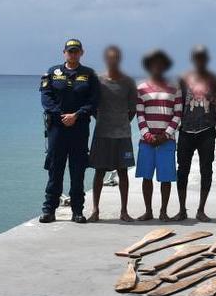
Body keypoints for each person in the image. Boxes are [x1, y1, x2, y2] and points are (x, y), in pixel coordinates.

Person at [39, 38, 100, 224]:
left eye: (76, 51)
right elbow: (46, 99)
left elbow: (94, 101)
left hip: (79, 129)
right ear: (64, 52)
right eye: (70, 51)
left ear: (82, 52)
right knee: (55, 170)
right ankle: (49, 210)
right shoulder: (52, 72)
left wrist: (76, 115)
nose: (72, 54)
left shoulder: (89, 75)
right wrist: (62, 116)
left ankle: (77, 211)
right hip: (57, 129)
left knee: (77, 170)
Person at [174, 45, 216, 222]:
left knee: (207, 170)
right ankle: (182, 210)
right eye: (197, 57)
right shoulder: (183, 78)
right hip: (185, 131)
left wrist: (215, 125)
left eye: (202, 57)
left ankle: (201, 210)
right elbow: (177, 102)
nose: (200, 60)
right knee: (182, 171)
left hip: (207, 132)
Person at [88, 45, 136, 222]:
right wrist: (102, 120)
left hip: (123, 135)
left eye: (116, 57)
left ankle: (124, 211)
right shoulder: (98, 80)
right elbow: (92, 105)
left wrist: (120, 122)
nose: (113, 60)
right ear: (106, 59)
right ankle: (95, 210)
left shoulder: (128, 82)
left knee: (123, 172)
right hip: (102, 133)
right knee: (99, 172)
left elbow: (132, 109)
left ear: (119, 59)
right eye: (110, 58)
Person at [135, 49, 183, 221]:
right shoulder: (141, 88)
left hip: (167, 141)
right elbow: (140, 115)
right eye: (154, 64)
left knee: (166, 178)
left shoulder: (174, 87)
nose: (158, 67)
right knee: (146, 177)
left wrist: (166, 135)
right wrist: (147, 136)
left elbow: (178, 114)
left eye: (161, 64)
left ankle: (163, 211)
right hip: (147, 141)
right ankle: (148, 211)